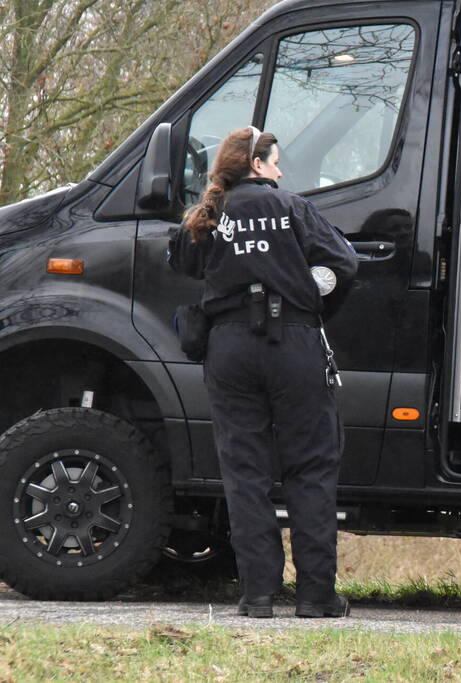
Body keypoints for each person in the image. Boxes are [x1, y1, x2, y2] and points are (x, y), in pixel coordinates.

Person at [168, 126, 358, 618]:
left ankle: (257, 595)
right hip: (293, 344)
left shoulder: (208, 214)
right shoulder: (293, 208)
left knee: (244, 472)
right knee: (311, 467)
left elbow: (180, 259)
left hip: (229, 347)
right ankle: (317, 596)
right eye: (274, 162)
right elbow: (344, 263)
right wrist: (310, 300)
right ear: (256, 165)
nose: (279, 171)